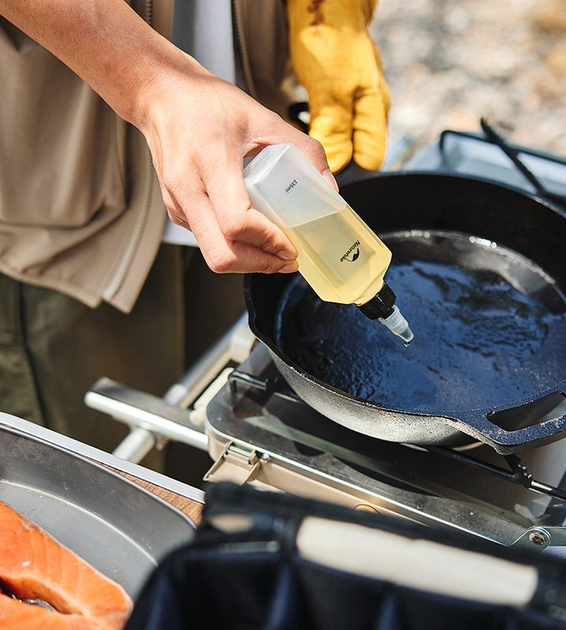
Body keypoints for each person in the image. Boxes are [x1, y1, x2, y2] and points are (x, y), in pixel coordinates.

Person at [0, 0, 389, 477]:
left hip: (247, 147)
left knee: (215, 426)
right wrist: (152, 82)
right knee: (104, 467)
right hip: (68, 189)